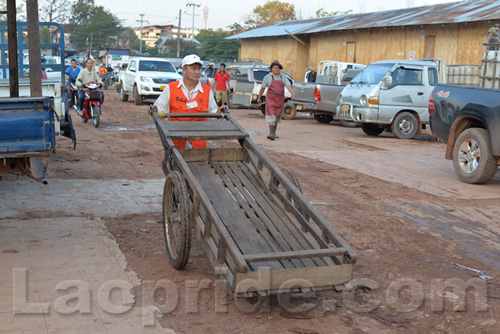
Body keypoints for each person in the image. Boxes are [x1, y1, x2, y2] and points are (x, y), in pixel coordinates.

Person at [149, 54, 225, 149]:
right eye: (193, 68)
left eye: (199, 69)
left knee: (198, 163)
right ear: (184, 70)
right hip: (175, 142)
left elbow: (212, 114)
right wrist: (155, 109)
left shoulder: (207, 90)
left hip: (198, 144)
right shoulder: (171, 88)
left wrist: (219, 112)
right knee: (176, 163)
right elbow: (160, 108)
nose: (197, 72)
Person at [257, 60, 295, 140]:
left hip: (279, 99)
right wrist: (259, 97)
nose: (276, 69)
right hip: (270, 99)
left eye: (277, 68)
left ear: (279, 69)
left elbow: (288, 85)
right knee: (271, 115)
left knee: (277, 116)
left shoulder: (283, 77)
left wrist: (292, 93)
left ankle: (274, 133)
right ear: (272, 69)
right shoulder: (267, 77)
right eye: (274, 68)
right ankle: (271, 133)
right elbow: (262, 88)